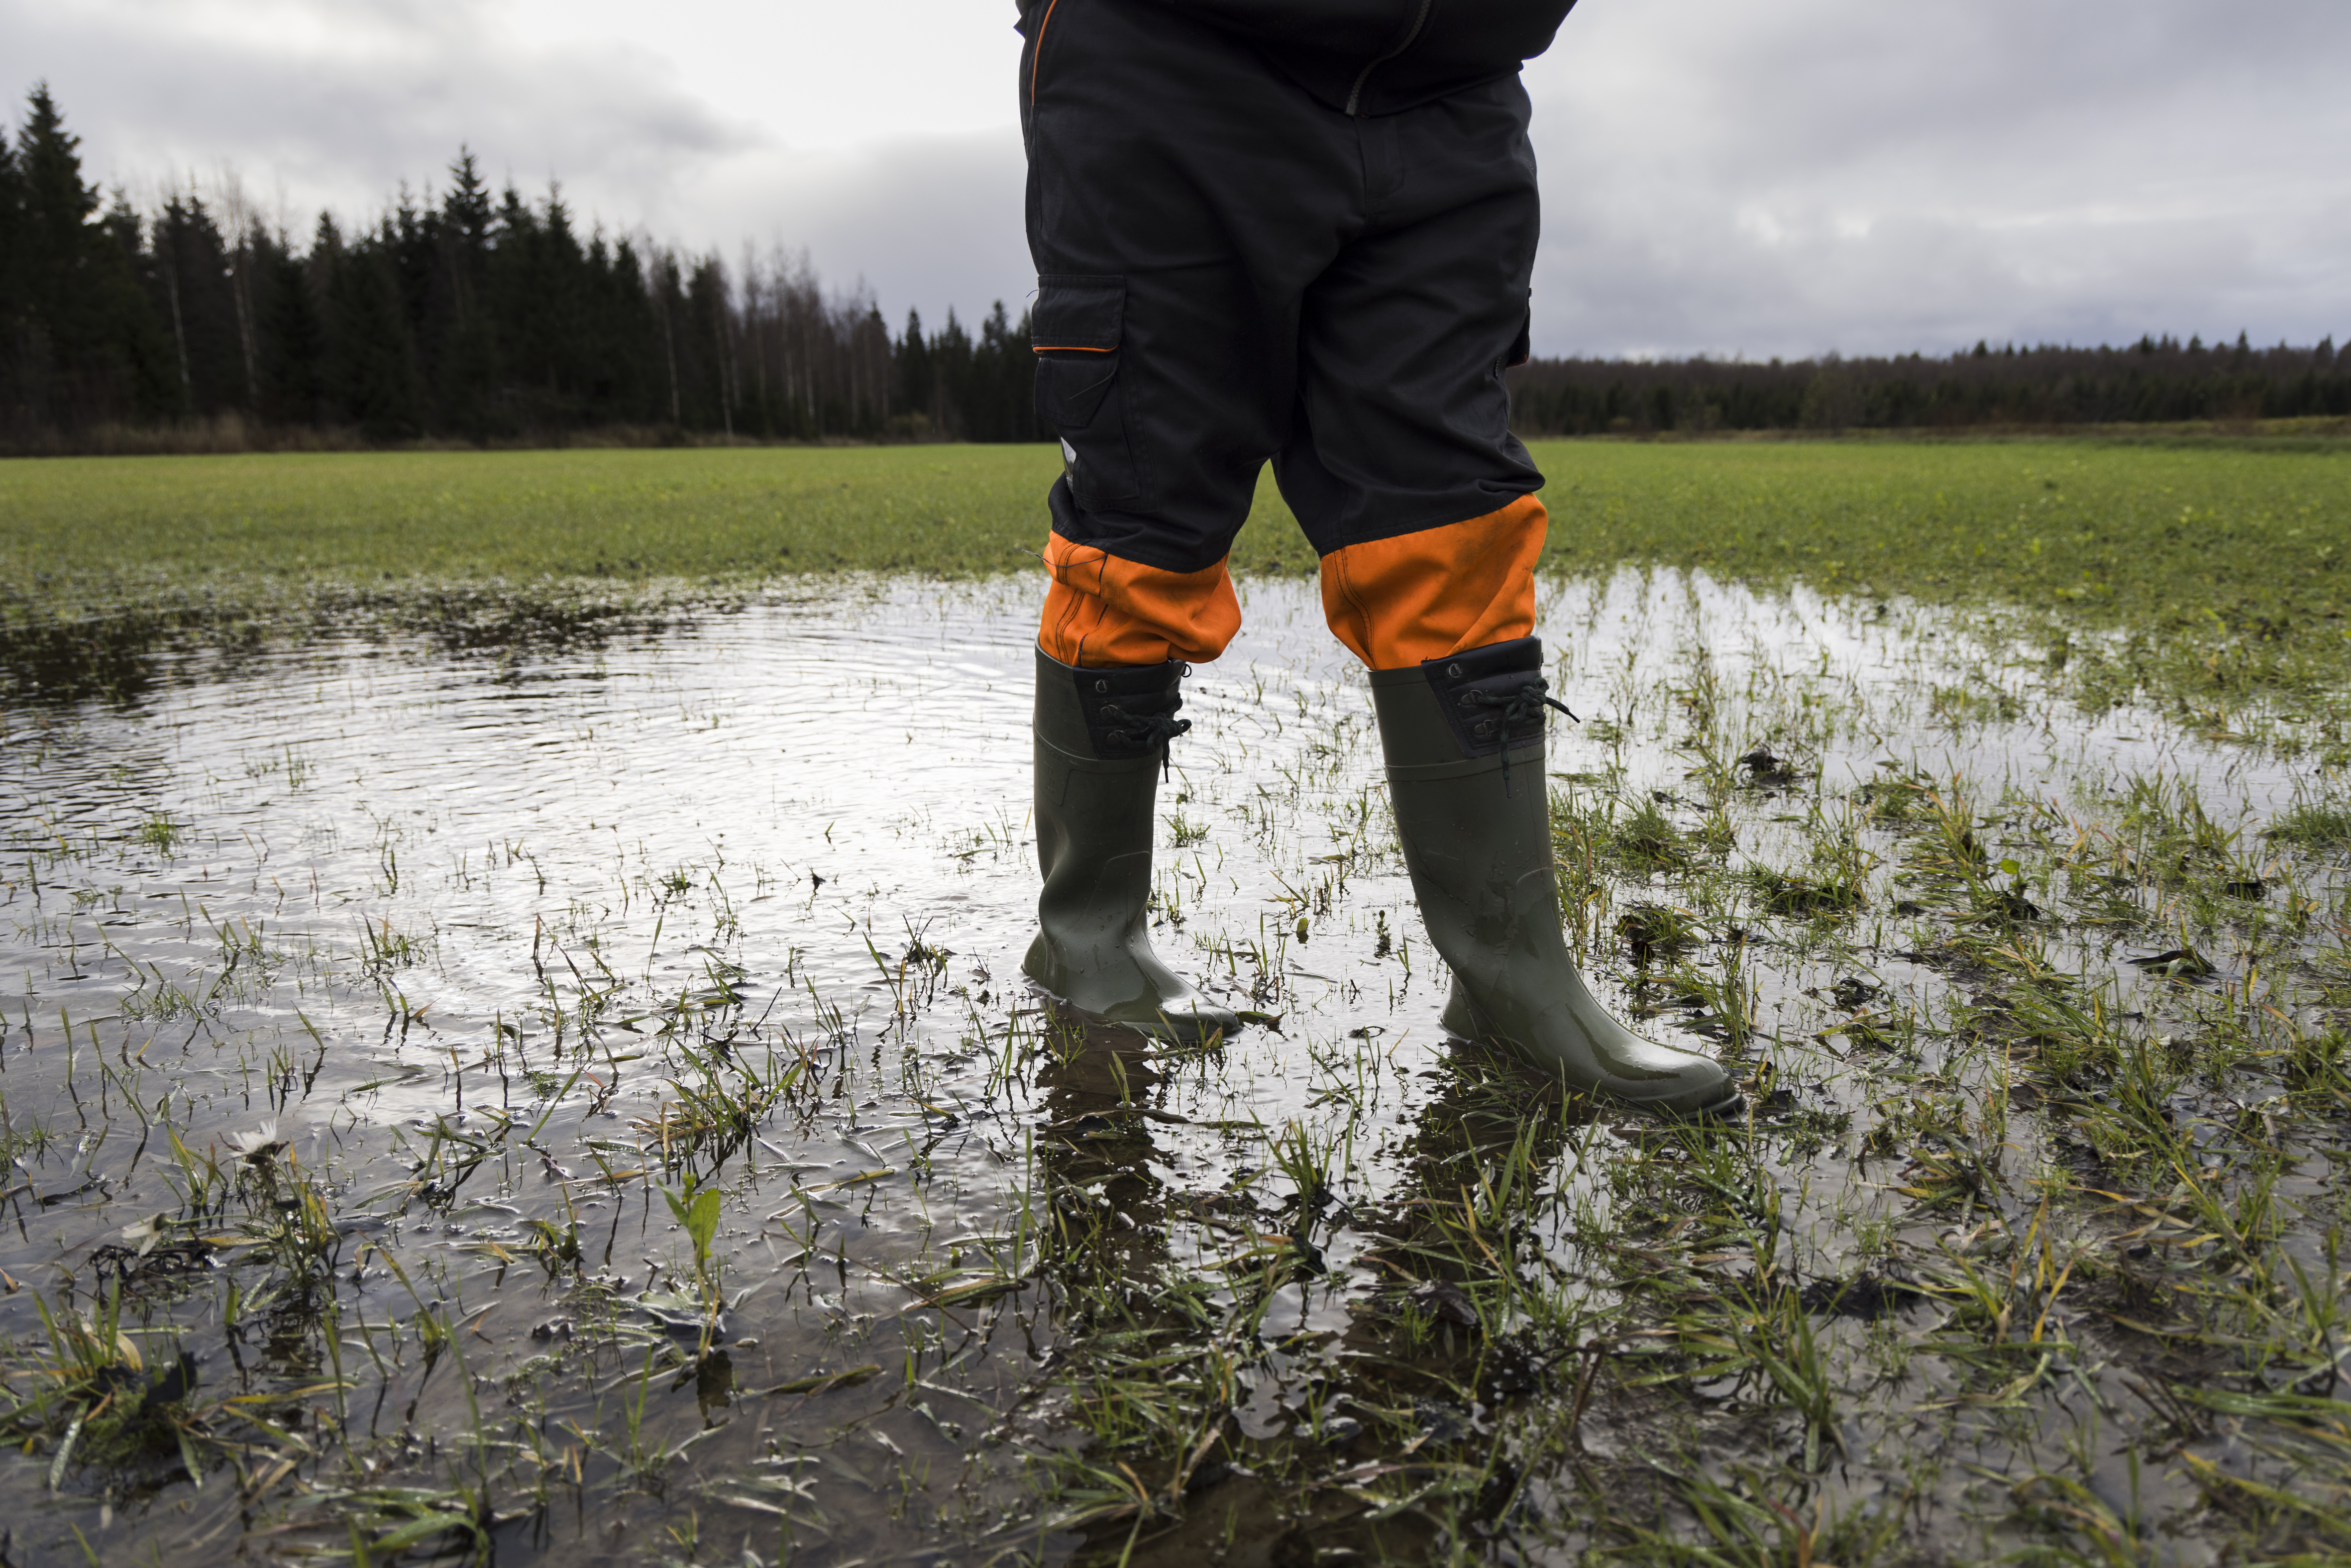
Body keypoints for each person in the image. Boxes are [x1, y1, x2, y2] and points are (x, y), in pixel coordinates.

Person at [1014, 0, 1738, 1119]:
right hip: (1170, 61)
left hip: (1453, 78)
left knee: (1455, 524)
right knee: (1142, 525)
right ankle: (1091, 949)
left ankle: (1511, 982)